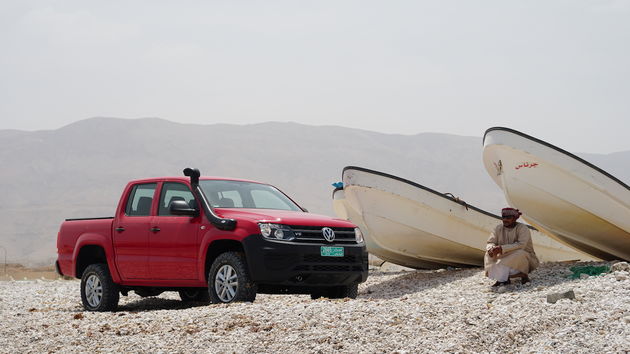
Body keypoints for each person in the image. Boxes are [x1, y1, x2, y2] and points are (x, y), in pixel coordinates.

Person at [485, 207, 539, 287]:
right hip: (504, 255)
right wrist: (491, 248)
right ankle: (502, 279)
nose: (505, 220)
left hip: (524, 256)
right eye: (503, 217)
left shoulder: (523, 228)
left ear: (514, 218)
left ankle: (523, 275)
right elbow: (490, 242)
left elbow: (521, 245)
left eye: (508, 218)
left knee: (520, 254)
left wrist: (502, 248)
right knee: (488, 254)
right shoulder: (498, 228)